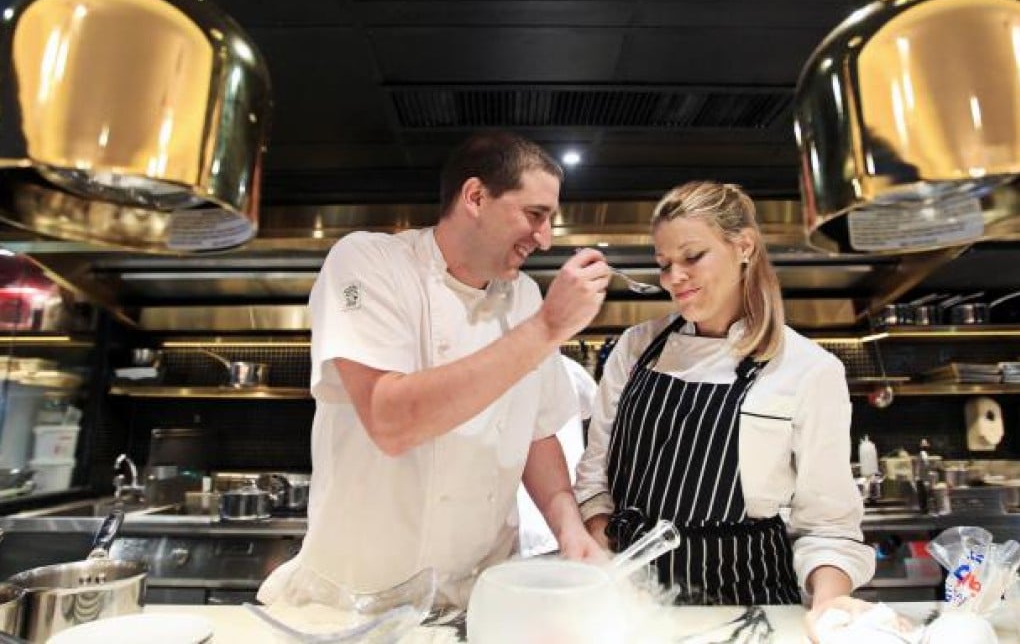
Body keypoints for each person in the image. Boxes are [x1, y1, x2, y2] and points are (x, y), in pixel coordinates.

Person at [258, 130, 610, 607]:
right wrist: (548, 328)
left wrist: (570, 531)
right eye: (535, 215)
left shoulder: (525, 296)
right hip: (358, 602)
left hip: (475, 598)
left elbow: (537, 433)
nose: (545, 239)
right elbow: (391, 420)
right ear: (475, 196)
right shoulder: (369, 262)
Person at [574, 181, 875, 618]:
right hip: (633, 605)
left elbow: (828, 523)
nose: (675, 278)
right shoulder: (635, 348)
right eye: (663, 264)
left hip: (750, 604)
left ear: (744, 246)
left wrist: (830, 604)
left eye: (692, 256)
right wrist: (606, 563)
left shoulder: (808, 370)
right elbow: (595, 480)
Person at [517, 355, 596, 557]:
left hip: (536, 534)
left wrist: (570, 527)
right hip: (429, 554)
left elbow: (538, 435)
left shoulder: (561, 367)